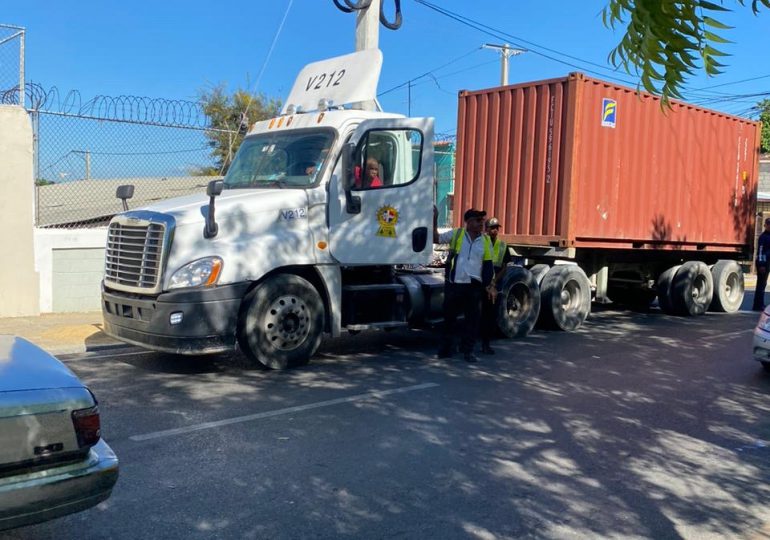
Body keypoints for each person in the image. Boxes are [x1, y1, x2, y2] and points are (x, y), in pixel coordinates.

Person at [434, 208, 495, 363]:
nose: (481, 224)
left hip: (474, 286)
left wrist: (488, 285)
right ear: (467, 222)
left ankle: (468, 351)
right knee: (449, 319)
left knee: (472, 321)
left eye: (482, 221)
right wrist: (435, 217)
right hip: (455, 284)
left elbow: (488, 265)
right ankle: (446, 350)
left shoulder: (485, 241)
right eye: (477, 220)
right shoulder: (457, 234)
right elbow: (436, 238)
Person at [480, 217, 512, 354]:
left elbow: (504, 267)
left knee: (491, 316)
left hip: (494, 285)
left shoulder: (503, 246)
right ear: (486, 229)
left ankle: (486, 344)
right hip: (481, 283)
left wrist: (494, 281)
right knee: (477, 315)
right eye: (492, 228)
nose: (494, 231)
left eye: (496, 228)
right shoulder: (480, 242)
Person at [753, 217, 770, 311]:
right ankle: (758, 305)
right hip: (762, 263)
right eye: (768, 224)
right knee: (761, 284)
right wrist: (762, 264)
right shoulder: (763, 237)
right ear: (765, 225)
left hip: (767, 262)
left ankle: (759, 304)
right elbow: (760, 251)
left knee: (763, 284)